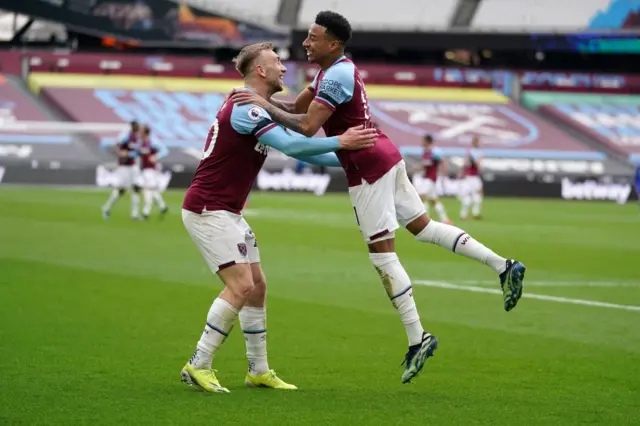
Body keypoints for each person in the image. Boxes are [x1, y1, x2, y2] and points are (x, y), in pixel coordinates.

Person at [231, 11, 526, 384]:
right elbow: (294, 108)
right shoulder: (329, 72)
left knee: (383, 255)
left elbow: (306, 127)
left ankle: (418, 338)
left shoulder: (335, 74)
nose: (306, 43)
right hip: (384, 152)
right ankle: (504, 266)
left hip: (367, 164)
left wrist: (261, 108)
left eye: (313, 37)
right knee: (423, 226)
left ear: (333, 43)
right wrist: (259, 101)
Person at [180, 42, 378, 393]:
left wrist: (359, 159)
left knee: (257, 287)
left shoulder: (256, 106)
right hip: (209, 208)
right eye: (276, 62)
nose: (283, 69)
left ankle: (258, 370)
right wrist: (343, 143)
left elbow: (301, 144)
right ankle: (199, 363)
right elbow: (296, 147)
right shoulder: (246, 108)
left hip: (226, 210)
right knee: (240, 285)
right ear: (260, 70)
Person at [101, 120, 142, 220]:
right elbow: (119, 150)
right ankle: (106, 207)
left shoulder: (137, 138)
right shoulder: (125, 137)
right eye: (136, 126)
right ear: (132, 127)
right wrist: (127, 154)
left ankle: (135, 215)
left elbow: (137, 151)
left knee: (136, 188)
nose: (138, 128)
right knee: (121, 190)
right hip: (124, 166)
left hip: (133, 166)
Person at [418, 134, 452, 224]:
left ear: (427, 141)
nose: (422, 142)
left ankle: (424, 221)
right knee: (433, 200)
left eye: (423, 140)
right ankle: (445, 220)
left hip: (430, 178)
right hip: (428, 178)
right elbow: (425, 165)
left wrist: (443, 173)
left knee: (421, 197)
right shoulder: (425, 151)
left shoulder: (434, 152)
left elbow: (442, 161)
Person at [138, 125, 169, 220]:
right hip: (145, 169)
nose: (139, 133)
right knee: (151, 190)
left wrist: (156, 157)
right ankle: (163, 206)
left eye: (141, 131)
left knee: (148, 190)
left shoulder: (152, 142)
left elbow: (164, 150)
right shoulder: (142, 143)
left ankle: (145, 213)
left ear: (145, 132)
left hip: (151, 170)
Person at [460, 136, 484, 220]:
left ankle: (475, 213)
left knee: (478, 194)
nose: (477, 143)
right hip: (470, 177)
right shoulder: (471, 152)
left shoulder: (476, 152)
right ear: (473, 142)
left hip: (475, 177)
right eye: (476, 141)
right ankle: (464, 214)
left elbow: (478, 165)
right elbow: (474, 164)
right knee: (468, 196)